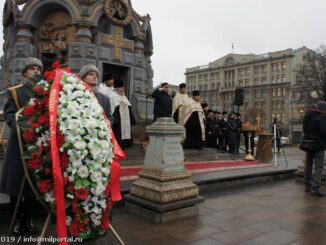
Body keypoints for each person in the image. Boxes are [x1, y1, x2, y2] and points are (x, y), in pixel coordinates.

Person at [0, 57, 43, 235]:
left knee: (33, 184)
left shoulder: (43, 93)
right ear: (25, 72)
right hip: (18, 143)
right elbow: (9, 115)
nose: (36, 71)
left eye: (38, 69)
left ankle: (30, 218)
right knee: (16, 183)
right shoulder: (15, 92)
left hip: (38, 144)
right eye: (32, 68)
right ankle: (17, 219)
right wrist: (20, 129)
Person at [302, 101, 326, 197]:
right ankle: (315, 188)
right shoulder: (321, 118)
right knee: (319, 167)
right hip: (318, 145)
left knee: (308, 164)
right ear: (323, 110)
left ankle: (307, 185)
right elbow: (323, 132)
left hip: (308, 144)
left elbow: (304, 130)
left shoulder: (307, 117)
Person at [110, 79, 136, 149]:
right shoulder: (112, 96)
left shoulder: (124, 97)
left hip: (125, 120)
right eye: (121, 87)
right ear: (116, 88)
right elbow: (113, 109)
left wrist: (132, 120)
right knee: (118, 134)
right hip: (118, 121)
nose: (123, 89)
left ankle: (124, 145)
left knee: (125, 134)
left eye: (123, 87)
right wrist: (116, 121)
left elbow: (129, 107)